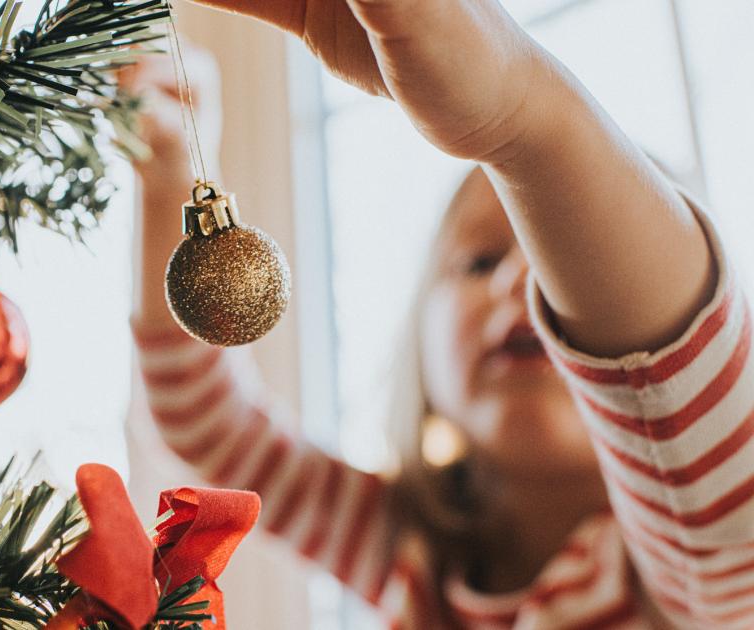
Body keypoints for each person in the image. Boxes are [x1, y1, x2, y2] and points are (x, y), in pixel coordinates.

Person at [124, 1, 754, 628]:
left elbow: (681, 392)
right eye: (479, 262)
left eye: (565, 272)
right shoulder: (410, 552)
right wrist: (173, 169)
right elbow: (205, 422)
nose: (518, 278)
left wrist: (521, 117)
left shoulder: (691, 572)